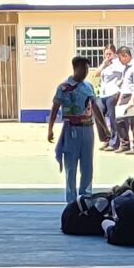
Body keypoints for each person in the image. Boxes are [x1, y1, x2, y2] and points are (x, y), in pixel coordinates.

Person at [47, 58, 102, 204]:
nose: (86, 72)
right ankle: (71, 201)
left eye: (87, 69)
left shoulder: (88, 86)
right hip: (72, 130)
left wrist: (104, 128)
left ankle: (85, 198)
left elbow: (95, 107)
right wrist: (50, 128)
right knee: (71, 167)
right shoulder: (63, 87)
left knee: (87, 166)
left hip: (88, 129)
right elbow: (55, 108)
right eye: (83, 69)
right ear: (75, 68)